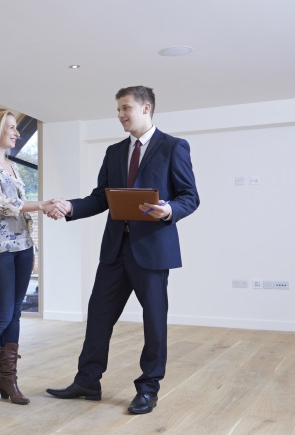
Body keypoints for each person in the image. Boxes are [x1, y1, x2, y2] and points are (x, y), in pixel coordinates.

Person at [45, 86, 200, 414]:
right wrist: (70, 207)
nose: (120, 115)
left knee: (154, 321)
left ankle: (148, 388)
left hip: (153, 250)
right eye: (118, 109)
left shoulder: (173, 147)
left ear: (146, 108)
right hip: (115, 250)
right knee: (98, 316)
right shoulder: (115, 152)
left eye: (125, 108)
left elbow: (190, 196)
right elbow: (101, 197)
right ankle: (88, 380)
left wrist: (169, 210)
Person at [0, 108, 66, 405]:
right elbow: (1, 204)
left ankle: (8, 380)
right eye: (11, 127)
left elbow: (18, 205)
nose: (17, 132)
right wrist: (42, 205)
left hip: (22, 247)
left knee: (15, 314)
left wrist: (41, 209)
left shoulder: (10, 166)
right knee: (1, 315)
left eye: (16, 127)